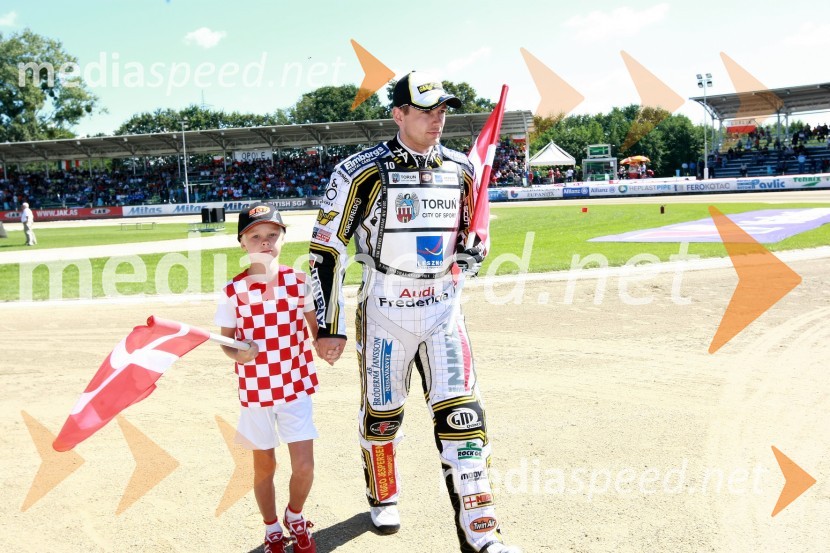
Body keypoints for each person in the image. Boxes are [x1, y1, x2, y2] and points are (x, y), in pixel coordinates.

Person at [309, 71, 520, 553]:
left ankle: (482, 535)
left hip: (444, 309)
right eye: (425, 111)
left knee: (464, 417)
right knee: (383, 417)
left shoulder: (463, 168)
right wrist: (328, 325)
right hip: (384, 307)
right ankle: (382, 493)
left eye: (442, 110)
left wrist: (473, 252)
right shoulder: (359, 170)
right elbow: (326, 252)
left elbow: (474, 232)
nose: (437, 120)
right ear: (398, 114)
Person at [215, 202, 320, 553]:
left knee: (304, 465)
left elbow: (316, 331)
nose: (265, 242)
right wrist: (237, 352)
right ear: (242, 242)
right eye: (255, 236)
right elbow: (227, 341)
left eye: (272, 235)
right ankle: (272, 526)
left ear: (283, 238)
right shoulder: (233, 291)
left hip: (295, 384)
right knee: (265, 465)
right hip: (257, 389)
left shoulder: (299, 282)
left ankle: (295, 514)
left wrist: (326, 344)